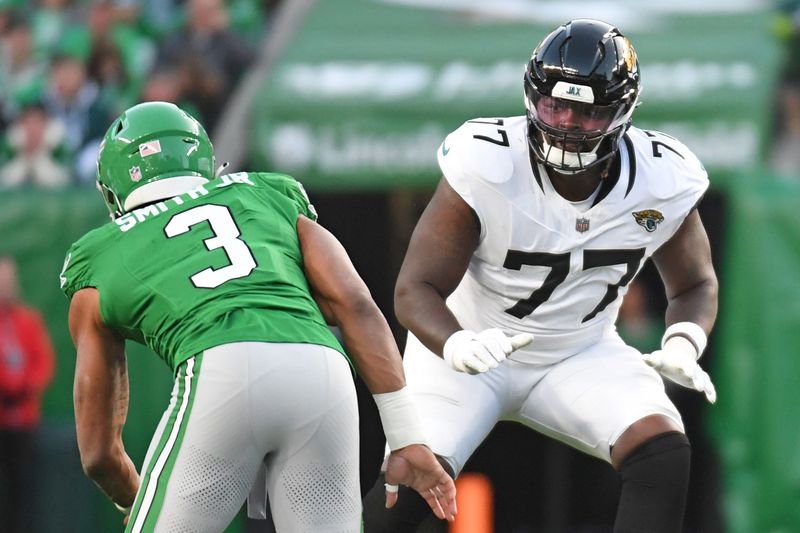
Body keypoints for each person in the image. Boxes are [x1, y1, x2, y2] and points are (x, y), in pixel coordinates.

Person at [362, 18, 718, 533]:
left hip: (579, 352)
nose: (568, 123)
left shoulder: (662, 177)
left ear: (622, 112)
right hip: (468, 346)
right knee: (413, 482)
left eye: (588, 111)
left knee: (662, 454)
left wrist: (684, 341)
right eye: (556, 106)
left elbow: (695, 283)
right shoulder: (488, 160)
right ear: (532, 97)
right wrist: (457, 344)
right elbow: (415, 289)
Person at [59, 101, 457, 532]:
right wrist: (405, 434)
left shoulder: (99, 254)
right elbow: (354, 303)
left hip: (221, 368)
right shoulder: (265, 192)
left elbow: (99, 455)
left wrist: (140, 501)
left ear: (113, 189)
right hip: (322, 368)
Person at [0, 255, 56, 533]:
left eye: (8, 280)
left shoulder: (29, 320)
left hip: (24, 424)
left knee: (21, 491)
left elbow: (43, 363)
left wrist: (25, 386)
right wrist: (7, 385)